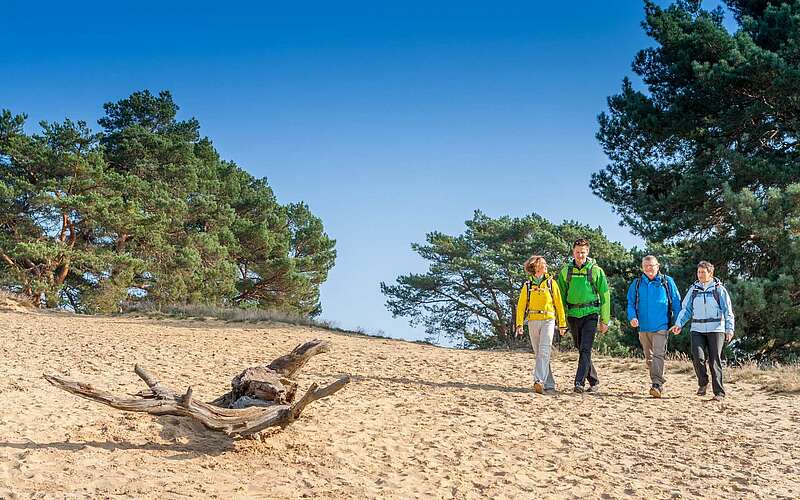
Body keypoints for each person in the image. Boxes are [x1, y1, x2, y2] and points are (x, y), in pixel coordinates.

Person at [670, 261, 735, 401]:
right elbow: (686, 309)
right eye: (698, 272)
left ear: (710, 273)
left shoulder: (719, 290)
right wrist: (678, 324)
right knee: (697, 357)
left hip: (716, 329)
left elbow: (728, 311)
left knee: (714, 360)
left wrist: (729, 329)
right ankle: (703, 383)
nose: (700, 275)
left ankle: (719, 393)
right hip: (697, 329)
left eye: (703, 272)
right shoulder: (693, 290)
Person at [556, 238, 610, 394]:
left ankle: (578, 383)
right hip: (572, 315)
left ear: (588, 252)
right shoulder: (566, 271)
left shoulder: (596, 271)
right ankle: (593, 380)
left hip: (591, 314)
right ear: (573, 251)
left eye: (583, 252)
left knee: (586, 348)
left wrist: (605, 320)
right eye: (578, 252)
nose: (580, 255)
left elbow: (605, 295)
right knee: (580, 348)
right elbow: (560, 296)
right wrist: (562, 320)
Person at [626, 255, 682, 398]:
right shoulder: (637, 283)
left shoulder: (667, 282)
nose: (649, 269)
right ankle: (656, 380)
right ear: (642, 268)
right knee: (649, 357)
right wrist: (632, 317)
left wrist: (678, 322)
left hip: (661, 325)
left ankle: (657, 384)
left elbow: (676, 302)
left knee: (658, 354)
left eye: (652, 266)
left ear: (658, 266)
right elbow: (630, 303)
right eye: (646, 266)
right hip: (643, 327)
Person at [515, 255, 567, 395]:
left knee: (544, 351)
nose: (546, 266)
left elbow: (559, 304)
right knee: (540, 354)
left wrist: (562, 324)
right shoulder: (527, 285)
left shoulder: (551, 283)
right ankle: (549, 383)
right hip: (533, 320)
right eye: (543, 264)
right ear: (536, 266)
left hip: (549, 320)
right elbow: (520, 307)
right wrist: (519, 324)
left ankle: (538, 381)